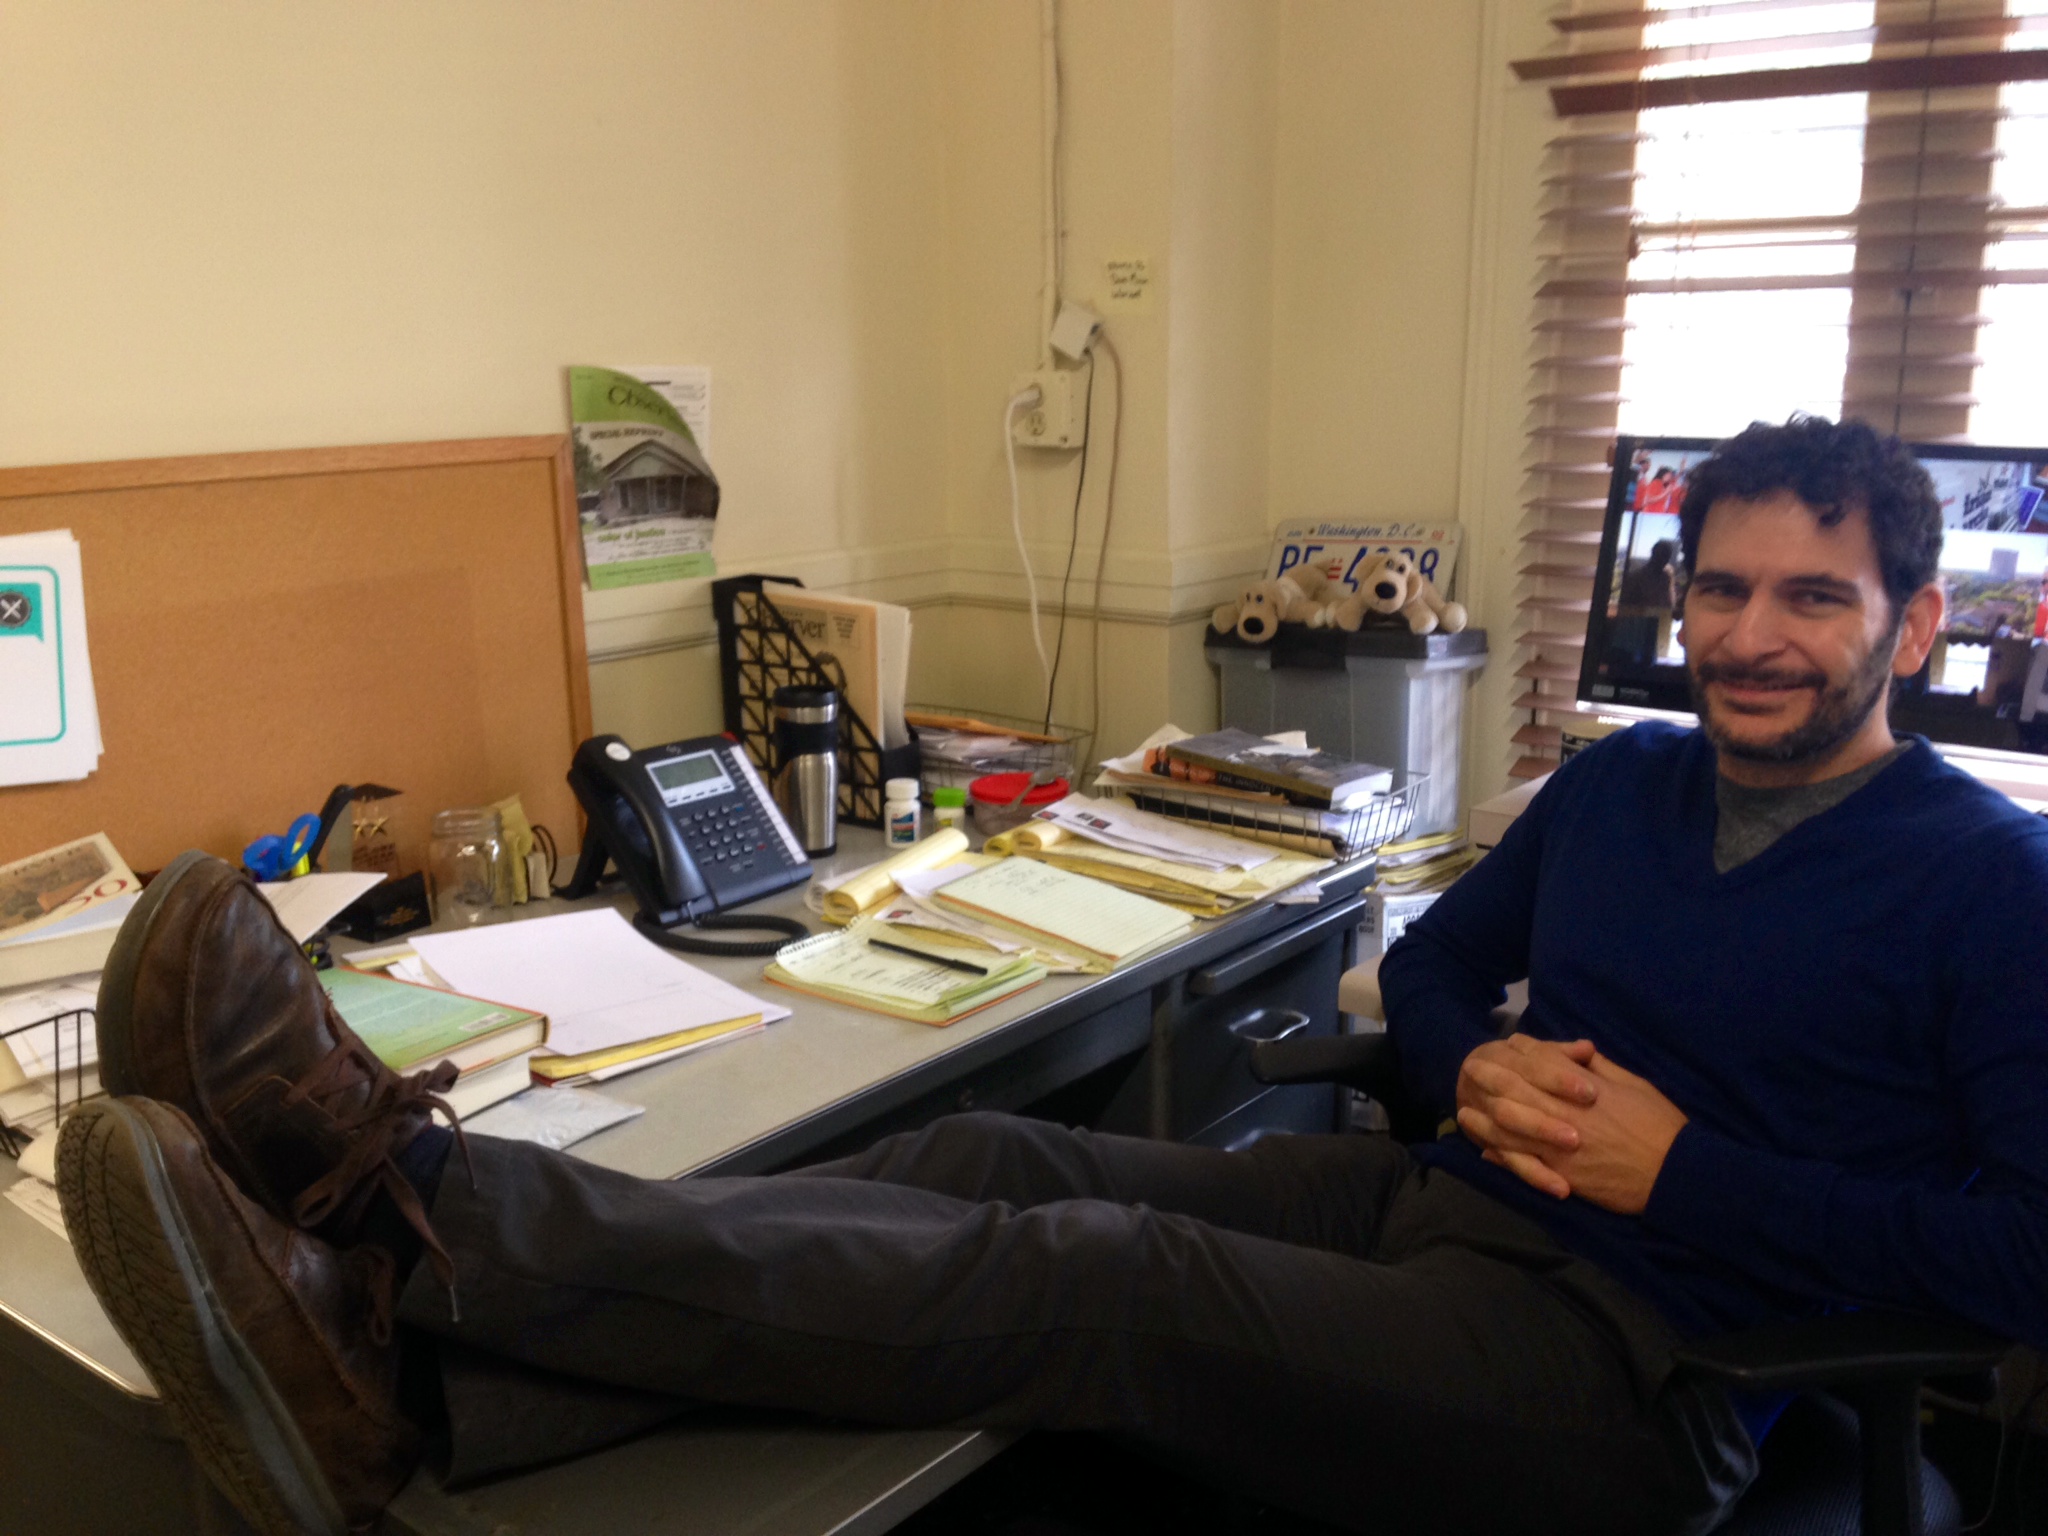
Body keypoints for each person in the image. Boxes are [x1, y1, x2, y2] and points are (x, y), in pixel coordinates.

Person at [54, 416, 2048, 1536]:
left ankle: (408, 1219)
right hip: (1455, 1211)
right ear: (1671, 594)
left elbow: (2018, 1260)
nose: (1754, 637)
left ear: (1914, 620)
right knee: (1002, 1160)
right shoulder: (1623, 790)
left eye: (1813, 597)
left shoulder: (1986, 881)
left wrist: (1677, 1173)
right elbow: (1437, 970)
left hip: (1652, 1373)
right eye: (1720, 588)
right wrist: (1466, 1076)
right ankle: (398, 1367)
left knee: (1105, 1280)